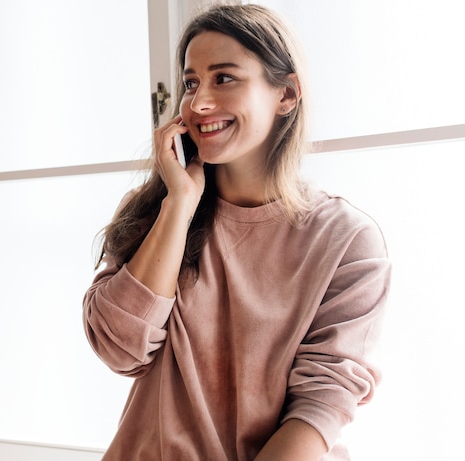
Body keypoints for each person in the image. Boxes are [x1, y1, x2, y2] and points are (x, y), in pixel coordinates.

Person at [83, 4, 391, 460]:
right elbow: (120, 350)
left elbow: (320, 407)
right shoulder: (160, 210)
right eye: (191, 83)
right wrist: (178, 207)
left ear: (286, 94)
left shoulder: (347, 241)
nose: (198, 104)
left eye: (223, 78)